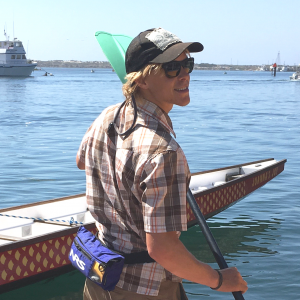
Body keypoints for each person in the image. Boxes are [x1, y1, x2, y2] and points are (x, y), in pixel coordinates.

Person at [76, 27, 248, 300]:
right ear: (143, 79)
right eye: (171, 67)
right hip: (145, 290)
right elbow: (162, 249)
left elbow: (81, 161)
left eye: (187, 63)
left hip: (100, 279)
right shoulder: (165, 153)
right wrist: (219, 280)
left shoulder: (107, 116)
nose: (185, 74)